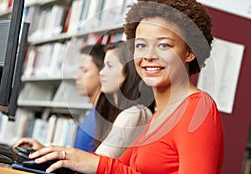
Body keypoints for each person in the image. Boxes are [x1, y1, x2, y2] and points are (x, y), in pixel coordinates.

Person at [28, 0, 224, 174]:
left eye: (164, 45)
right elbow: (120, 167)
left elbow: (110, 168)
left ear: (189, 52)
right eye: (140, 45)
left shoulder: (198, 108)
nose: (148, 55)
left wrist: (101, 165)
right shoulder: (159, 115)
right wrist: (53, 155)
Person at [13, 42, 153, 158]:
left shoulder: (135, 114)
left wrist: (52, 152)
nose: (101, 73)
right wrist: (47, 151)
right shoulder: (113, 112)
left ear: (128, 73)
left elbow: (96, 164)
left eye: (109, 66)